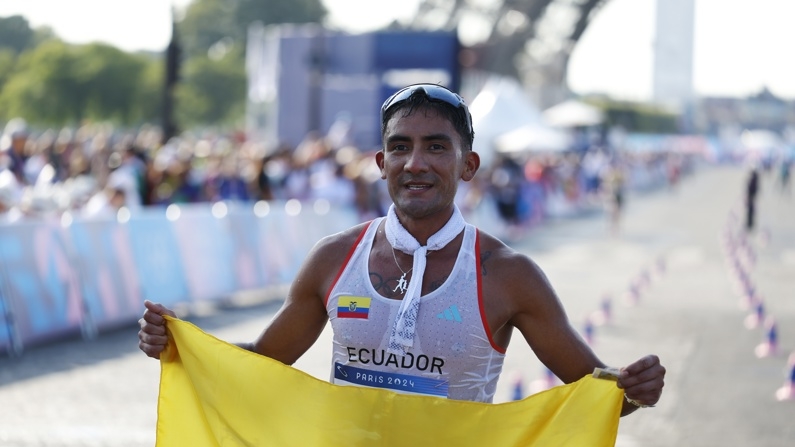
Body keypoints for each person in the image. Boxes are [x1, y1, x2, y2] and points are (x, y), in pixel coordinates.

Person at [139, 84, 665, 414]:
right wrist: (182, 343)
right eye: (400, 147)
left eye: (437, 147)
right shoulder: (333, 259)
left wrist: (633, 387)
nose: (416, 163)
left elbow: (602, 397)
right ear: (380, 162)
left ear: (469, 165)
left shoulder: (507, 274)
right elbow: (261, 364)